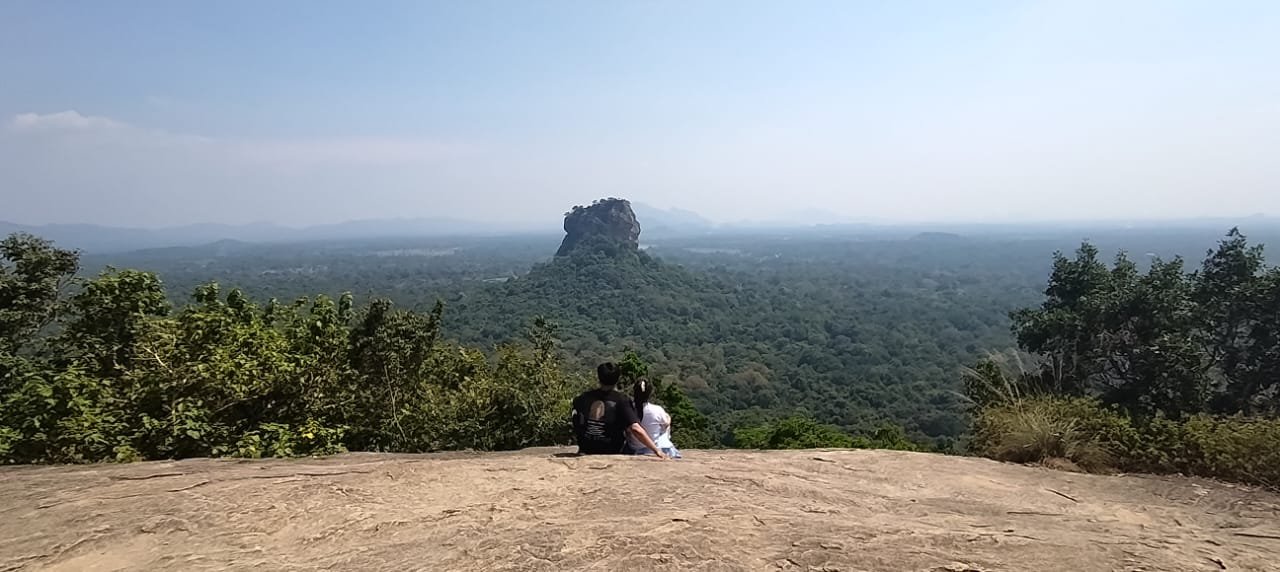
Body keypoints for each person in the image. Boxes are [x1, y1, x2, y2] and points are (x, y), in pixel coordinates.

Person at [571, 363, 667, 458]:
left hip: (586, 449)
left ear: (599, 377)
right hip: (610, 451)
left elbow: (576, 418)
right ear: (617, 379)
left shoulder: (583, 398)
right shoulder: (621, 400)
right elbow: (635, 428)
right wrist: (656, 450)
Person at [626, 379, 682, 458]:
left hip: (635, 448)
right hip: (653, 447)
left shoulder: (628, 410)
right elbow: (666, 424)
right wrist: (668, 417)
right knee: (664, 425)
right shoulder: (657, 409)